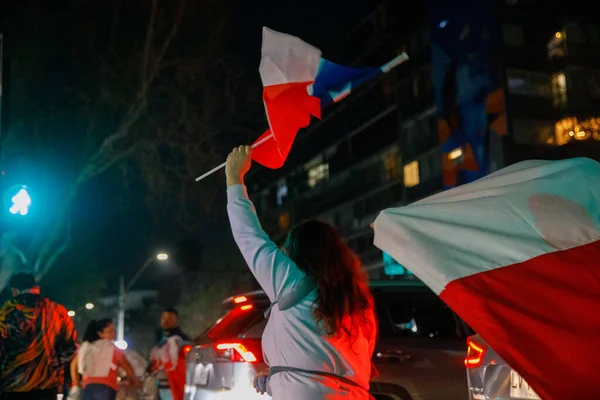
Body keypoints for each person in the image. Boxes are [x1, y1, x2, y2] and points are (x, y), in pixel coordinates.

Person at [225, 146, 378, 400]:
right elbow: (323, 363)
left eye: (286, 249)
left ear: (298, 253)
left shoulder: (290, 281)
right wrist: (277, 377)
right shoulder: (358, 301)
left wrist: (234, 178)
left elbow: (249, 237)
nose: (282, 254)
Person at [0, 272, 78, 400]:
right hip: (47, 385)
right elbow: (69, 348)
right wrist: (55, 368)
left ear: (14, 290)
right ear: (37, 288)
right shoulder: (58, 311)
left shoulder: (5, 312)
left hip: (12, 385)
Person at [69, 319, 140, 400]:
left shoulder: (86, 348)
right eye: (110, 331)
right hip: (106, 388)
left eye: (114, 330)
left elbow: (73, 366)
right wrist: (134, 380)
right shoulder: (112, 348)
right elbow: (127, 367)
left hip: (87, 388)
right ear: (100, 334)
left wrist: (77, 383)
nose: (114, 333)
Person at [149, 308, 190, 400]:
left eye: (170, 318)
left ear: (176, 320)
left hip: (175, 386)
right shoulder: (163, 340)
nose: (166, 321)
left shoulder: (180, 340)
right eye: (163, 318)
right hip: (163, 385)